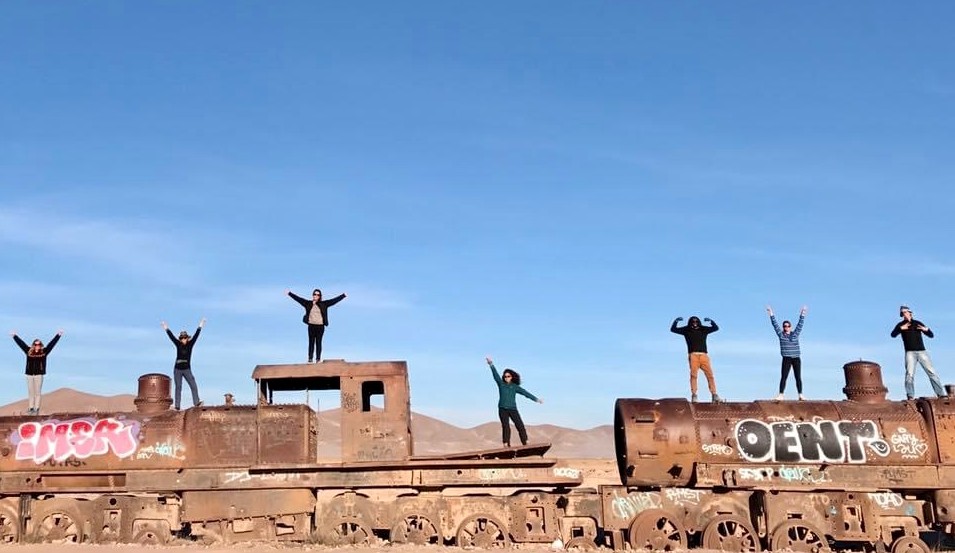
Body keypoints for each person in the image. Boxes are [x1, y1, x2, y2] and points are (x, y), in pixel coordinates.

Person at [485, 356, 543, 447]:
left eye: (508, 376)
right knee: (506, 427)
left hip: (512, 409)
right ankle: (506, 444)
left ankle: (525, 442)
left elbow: (525, 393)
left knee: (520, 425)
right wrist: (491, 364)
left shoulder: (515, 386)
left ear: (511, 377)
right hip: (502, 408)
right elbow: (495, 375)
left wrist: (536, 399)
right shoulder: (501, 384)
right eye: (505, 376)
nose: (506, 378)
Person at [891, 305, 945, 400]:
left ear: (910, 313)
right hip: (910, 353)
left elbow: (931, 335)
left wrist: (926, 330)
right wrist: (900, 329)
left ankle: (941, 394)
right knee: (909, 374)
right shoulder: (900, 325)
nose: (904, 314)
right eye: (902, 313)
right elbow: (893, 335)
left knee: (931, 372)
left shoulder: (917, 323)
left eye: (906, 312)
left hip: (922, 352)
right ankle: (910, 395)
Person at [10, 329, 63, 415]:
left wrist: (58, 335)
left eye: (39, 344)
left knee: (37, 392)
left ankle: (36, 409)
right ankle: (31, 408)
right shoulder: (29, 351)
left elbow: (51, 344)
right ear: (33, 345)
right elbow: (21, 344)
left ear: (41, 345)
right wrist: (14, 336)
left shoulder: (44, 352)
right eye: (35, 344)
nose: (37, 346)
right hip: (29, 374)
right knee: (31, 392)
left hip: (39, 374)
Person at [286, 288, 347, 362]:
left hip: (320, 326)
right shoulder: (308, 303)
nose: (316, 296)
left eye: (318, 295)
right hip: (311, 326)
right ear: (313, 295)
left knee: (318, 342)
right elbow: (298, 299)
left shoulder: (324, 304)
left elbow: (333, 301)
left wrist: (343, 296)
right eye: (315, 294)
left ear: (320, 296)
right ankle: (310, 358)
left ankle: (318, 359)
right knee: (311, 342)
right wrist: (289, 293)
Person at [670, 316, 722, 403]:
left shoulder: (703, 329)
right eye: (693, 321)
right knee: (694, 375)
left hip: (704, 356)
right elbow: (673, 329)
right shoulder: (686, 330)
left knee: (710, 375)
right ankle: (694, 395)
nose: (694, 323)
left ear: (699, 322)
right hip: (693, 355)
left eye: (696, 321)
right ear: (690, 322)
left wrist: (711, 321)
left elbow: (715, 328)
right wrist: (675, 321)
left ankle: (714, 394)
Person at [162, 318, 205, 410]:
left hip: (187, 369)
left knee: (193, 385)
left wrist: (200, 325)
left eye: (185, 338)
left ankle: (196, 402)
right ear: (180, 339)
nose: (183, 339)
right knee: (178, 387)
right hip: (177, 369)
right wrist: (166, 328)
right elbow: (171, 337)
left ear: (187, 338)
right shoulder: (178, 344)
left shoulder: (190, 344)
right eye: (182, 338)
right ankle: (177, 406)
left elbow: (196, 335)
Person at [767, 305, 807, 401]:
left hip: (796, 358)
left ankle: (800, 394)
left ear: (790, 327)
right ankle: (781, 394)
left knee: (798, 377)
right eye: (785, 326)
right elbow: (775, 325)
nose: (786, 327)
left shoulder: (795, 334)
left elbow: (800, 325)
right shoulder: (781, 335)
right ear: (783, 327)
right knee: (784, 376)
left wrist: (803, 314)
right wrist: (771, 314)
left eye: (788, 326)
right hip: (786, 358)